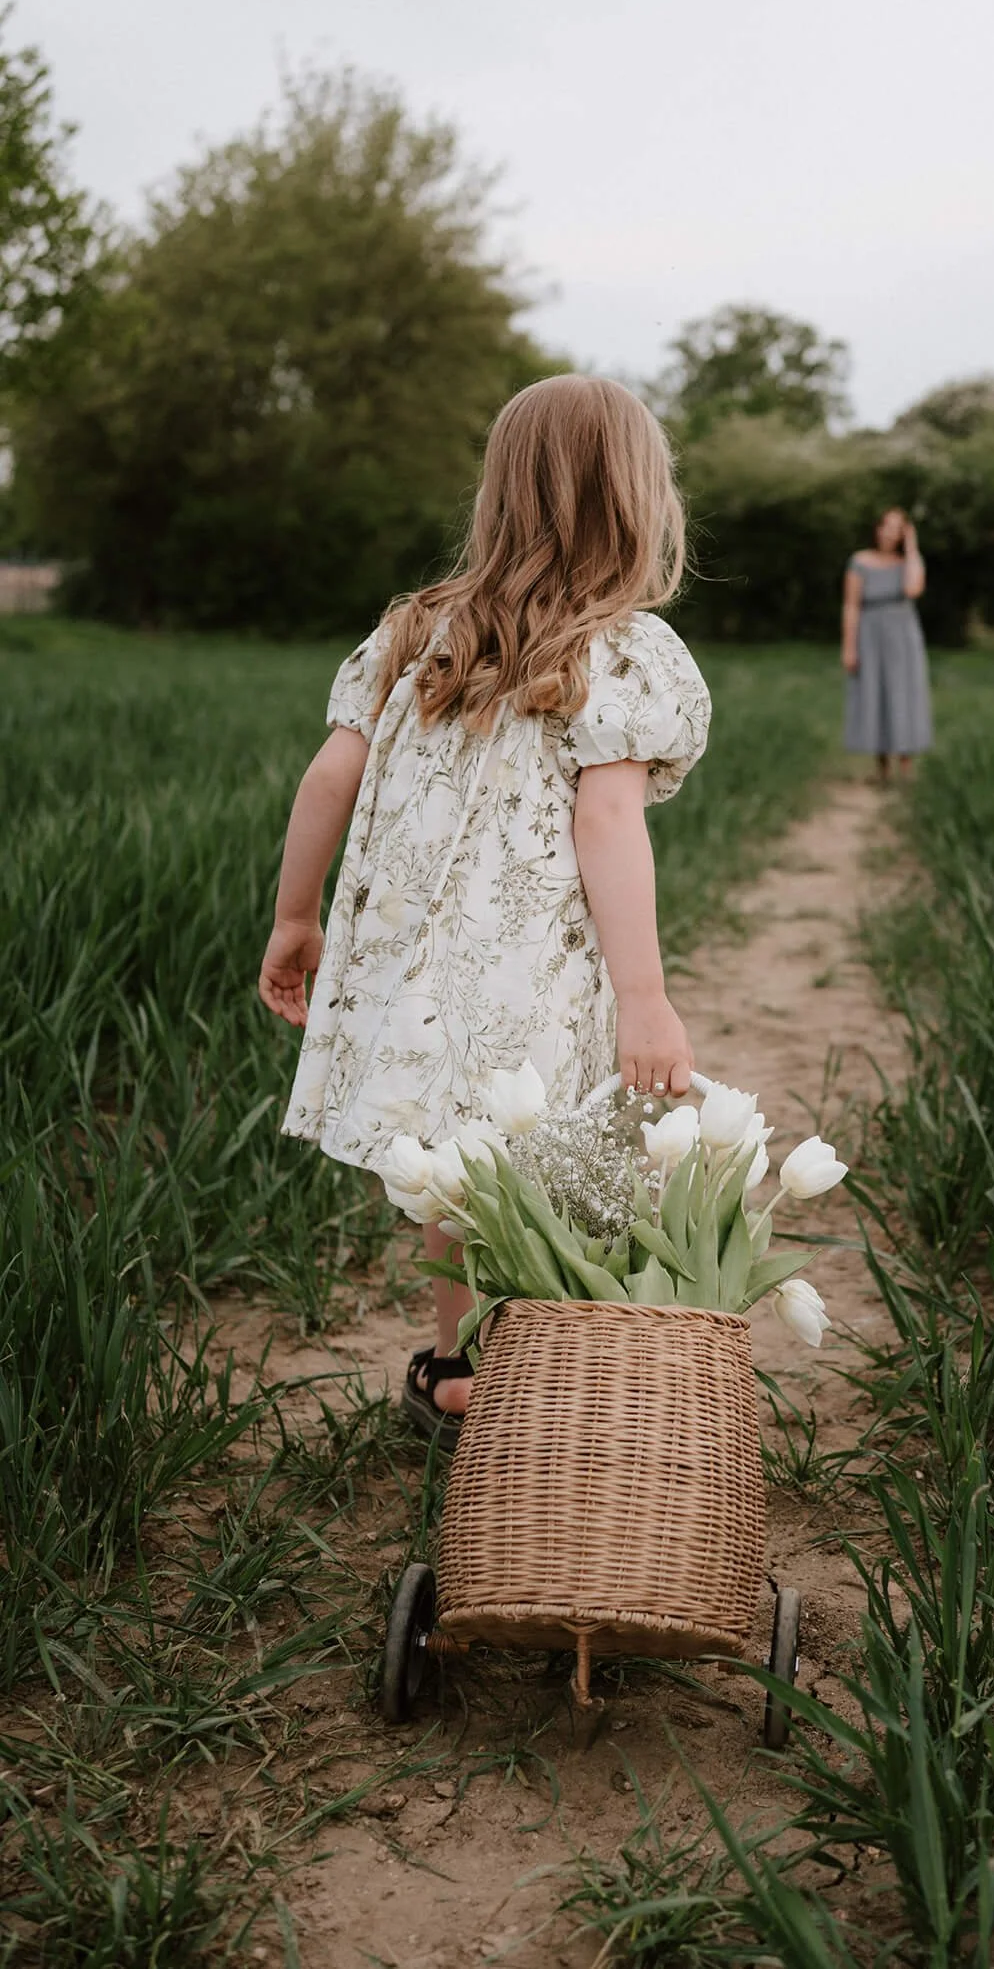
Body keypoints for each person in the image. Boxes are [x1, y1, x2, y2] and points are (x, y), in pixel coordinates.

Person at [256, 375, 709, 1449]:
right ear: (639, 498)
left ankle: (462, 1372)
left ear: (499, 494)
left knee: (455, 1174)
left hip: (411, 978)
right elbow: (606, 824)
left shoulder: (416, 633)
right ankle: (548, 1372)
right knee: (547, 1166)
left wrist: (295, 916)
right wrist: (644, 998)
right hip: (532, 977)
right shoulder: (624, 650)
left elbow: (330, 777)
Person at [841, 507, 932, 780]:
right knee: (875, 693)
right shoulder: (860, 561)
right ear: (877, 528)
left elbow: (912, 590)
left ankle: (906, 765)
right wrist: (849, 646)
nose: (891, 533)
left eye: (898, 528)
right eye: (887, 525)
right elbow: (851, 606)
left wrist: (912, 547)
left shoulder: (908, 563)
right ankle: (882, 768)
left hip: (904, 636)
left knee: (904, 694)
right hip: (870, 635)